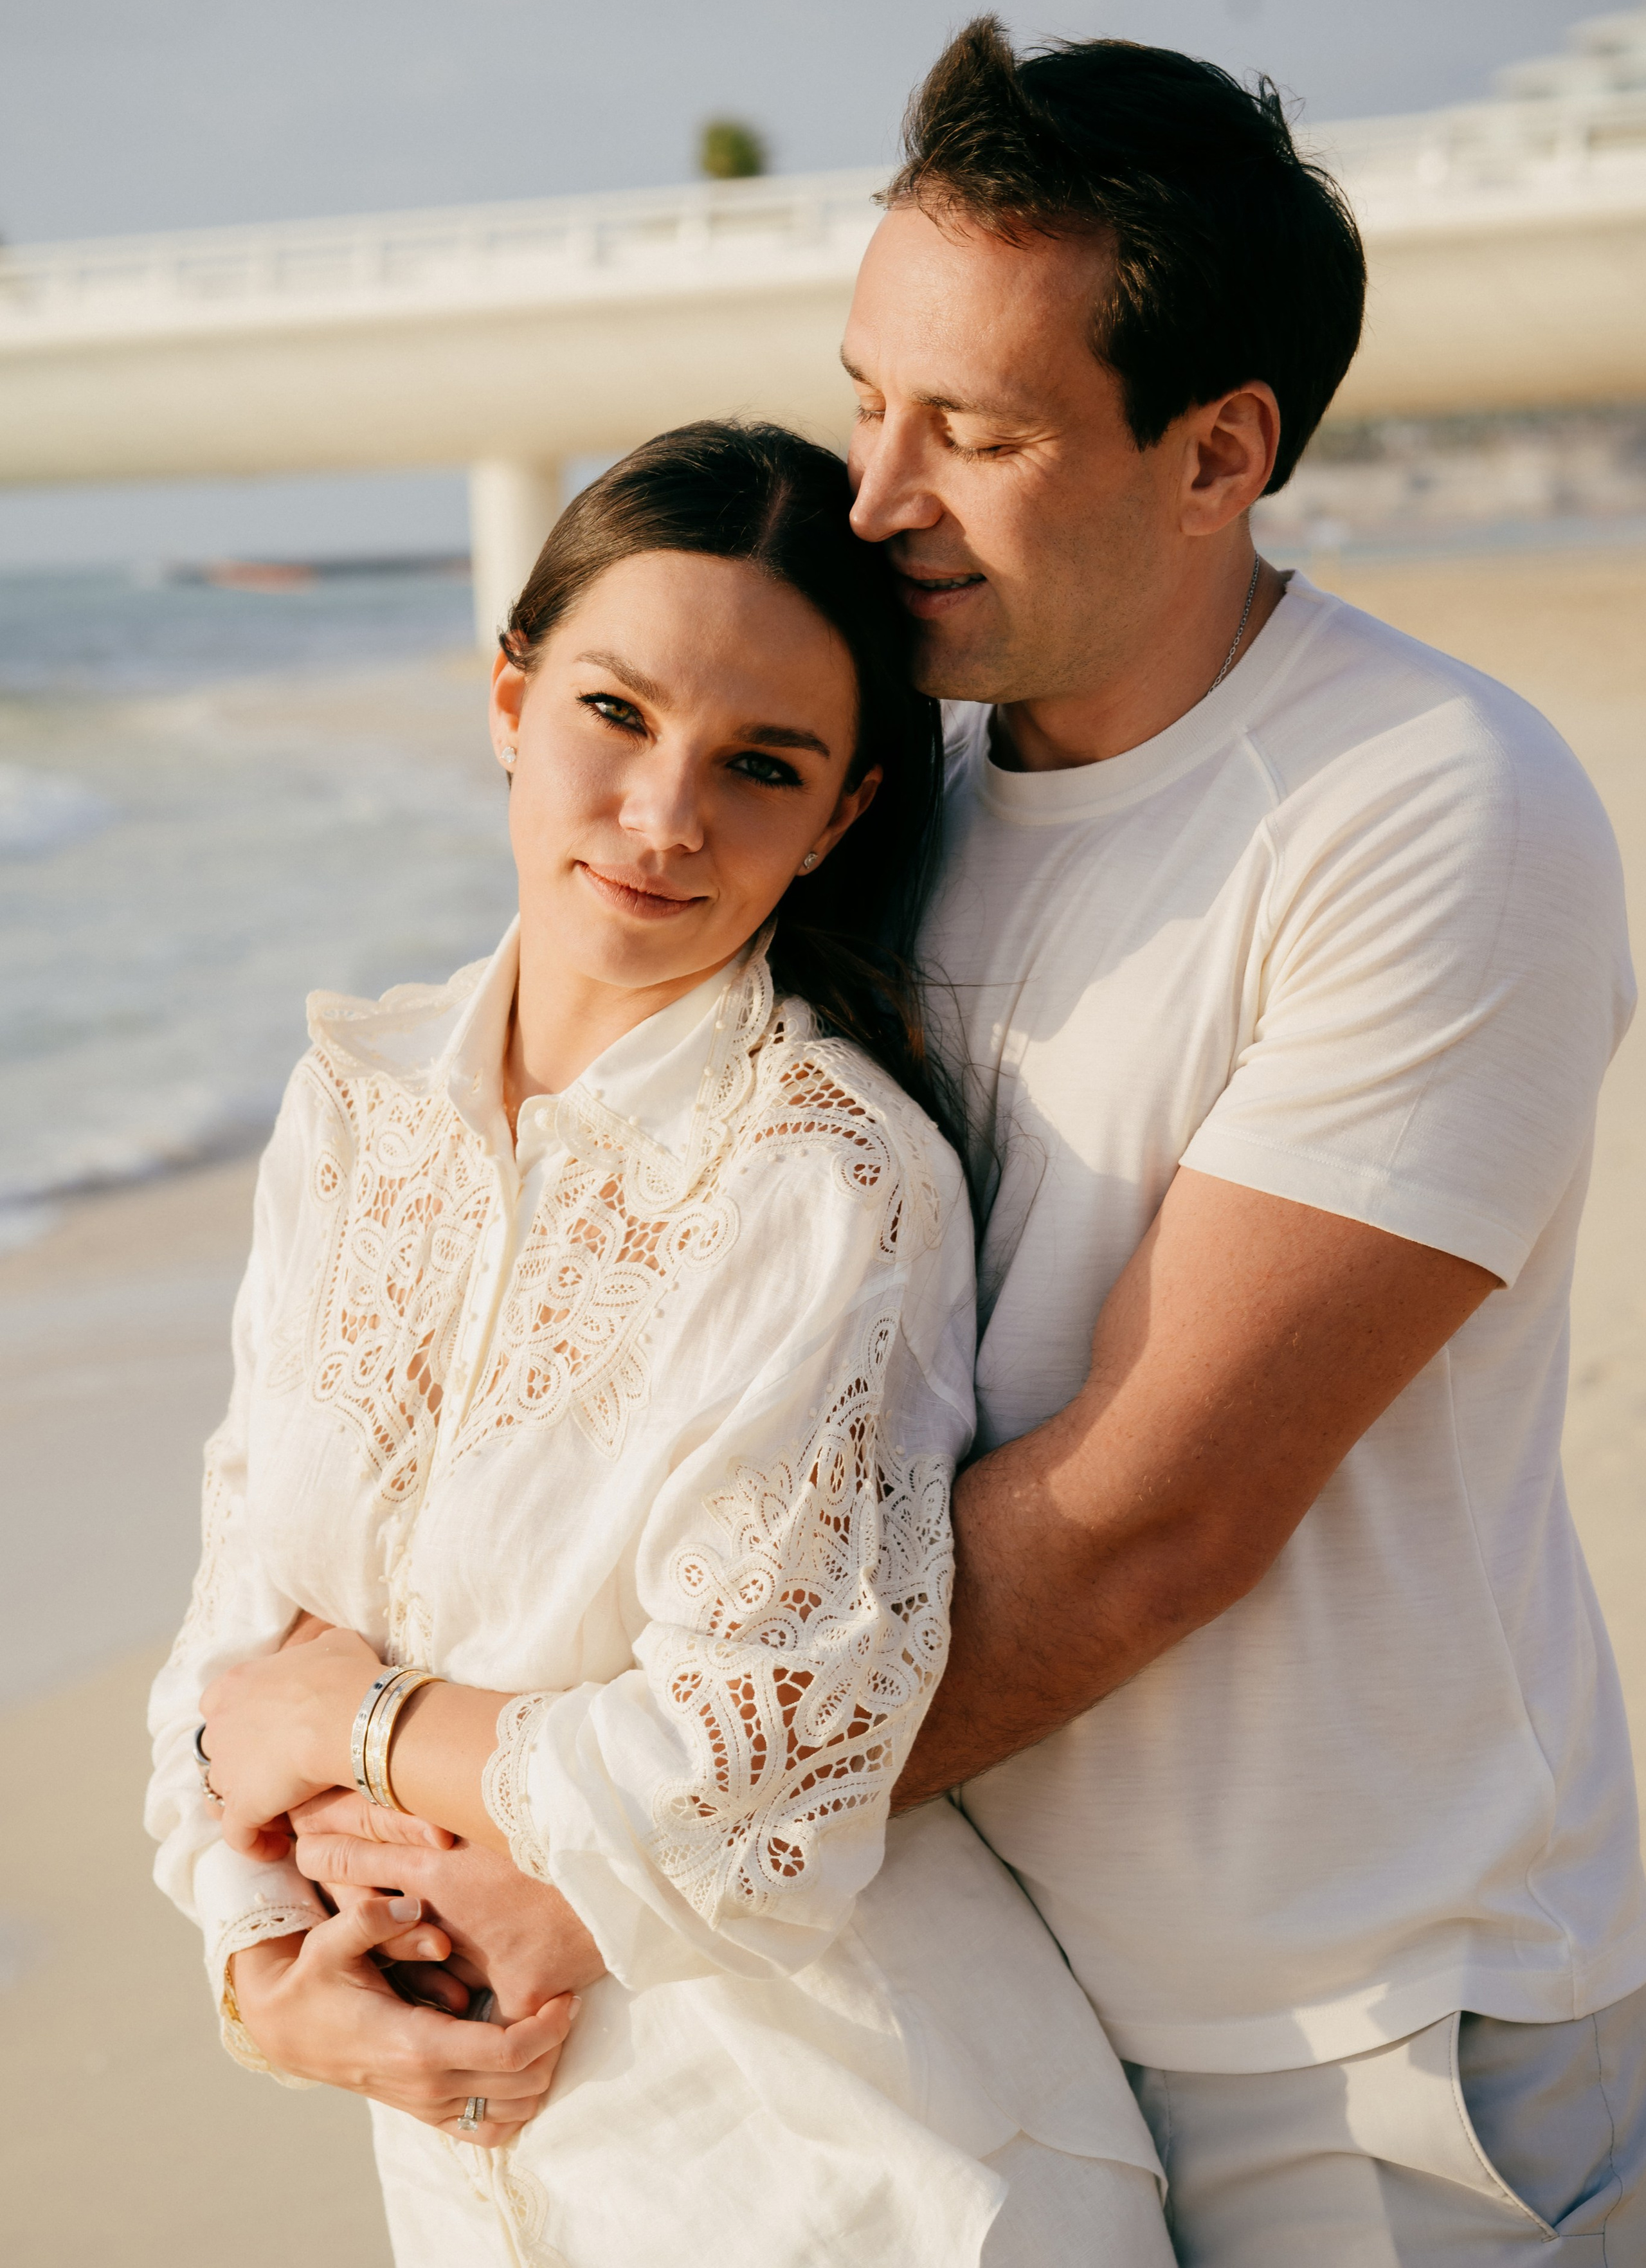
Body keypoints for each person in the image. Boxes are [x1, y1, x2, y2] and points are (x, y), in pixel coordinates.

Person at [293, 24, 1646, 2262]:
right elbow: (545, 1334)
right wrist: (299, 1887)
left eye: (983, 433)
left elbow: (1148, 1519)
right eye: (866, 399)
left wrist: (532, 1823)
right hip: (914, 2008)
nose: (876, 497)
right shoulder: (861, 794)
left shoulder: (1427, 809)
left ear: (1221, 453)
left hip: (1348, 2030)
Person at [147, 421, 1171, 2268]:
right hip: (487, 2181)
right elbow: (227, 1668)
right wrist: (260, 1968)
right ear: (510, 697)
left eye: (760, 763)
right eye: (616, 713)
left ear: (844, 810)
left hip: (843, 2179)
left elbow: (754, 1772)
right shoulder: (352, 1105)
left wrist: (357, 1724)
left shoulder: (830, 1179)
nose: (665, 814)